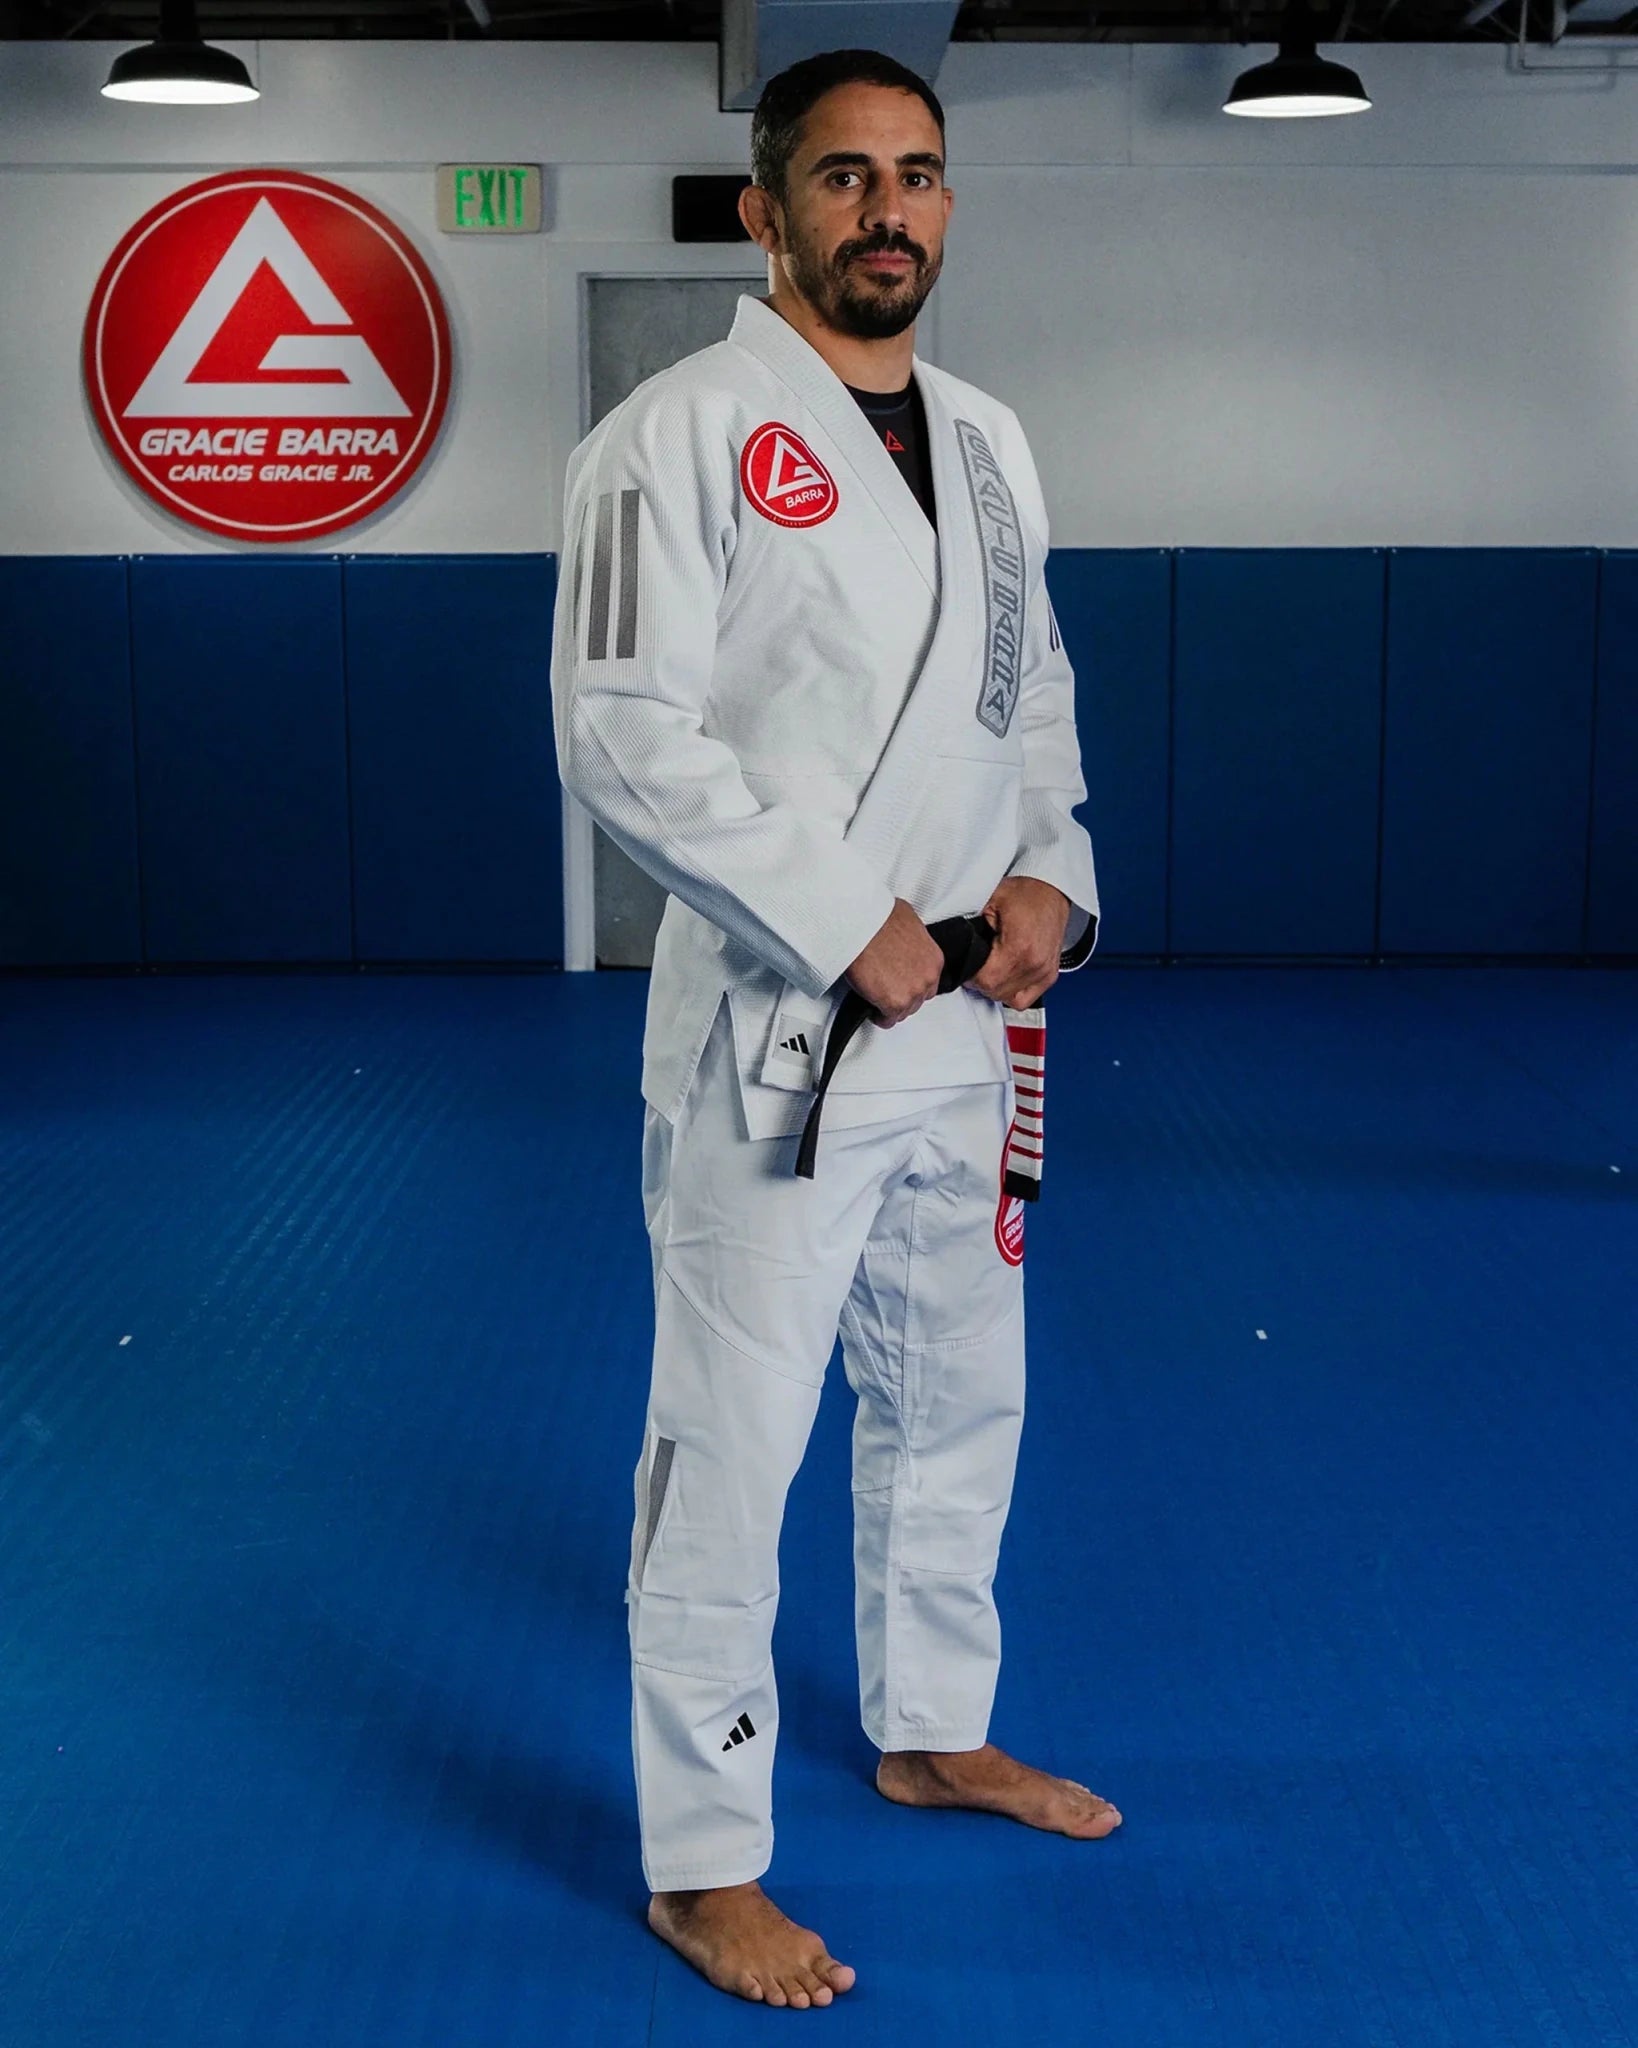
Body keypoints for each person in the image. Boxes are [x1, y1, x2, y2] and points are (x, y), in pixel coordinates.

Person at [550, 47, 1118, 2010]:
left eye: (920, 174)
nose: (891, 209)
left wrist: (1052, 878)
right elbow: (620, 734)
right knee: (729, 1447)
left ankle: (930, 1727)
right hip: (777, 1035)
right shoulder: (670, 434)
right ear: (765, 210)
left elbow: (1031, 705)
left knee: (960, 1396)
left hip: (969, 1022)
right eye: (848, 175)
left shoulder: (992, 440)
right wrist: (839, 917)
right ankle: (704, 1859)